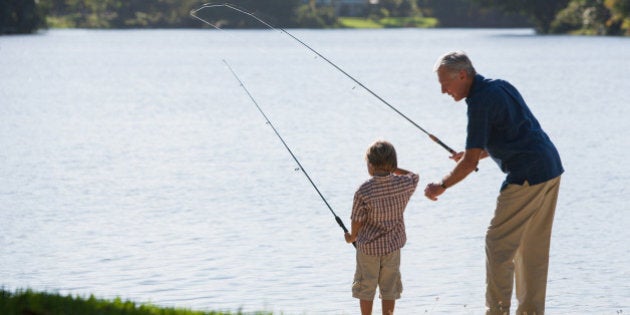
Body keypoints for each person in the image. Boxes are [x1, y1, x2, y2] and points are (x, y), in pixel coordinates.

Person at [424, 51, 564, 315]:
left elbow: (468, 165)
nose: (443, 91)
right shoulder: (500, 86)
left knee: (498, 243)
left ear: (463, 75)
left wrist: (440, 186)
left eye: (445, 83)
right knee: (532, 248)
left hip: (527, 174)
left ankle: (496, 311)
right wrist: (474, 153)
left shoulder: (479, 102)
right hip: (550, 167)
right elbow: (513, 133)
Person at [344, 140, 419, 315]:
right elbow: (414, 175)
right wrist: (394, 169)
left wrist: (352, 237)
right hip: (392, 247)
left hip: (368, 249)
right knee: (389, 287)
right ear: (393, 164)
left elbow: (357, 220)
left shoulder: (364, 190)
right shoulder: (403, 184)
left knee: (366, 286)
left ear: (370, 164)